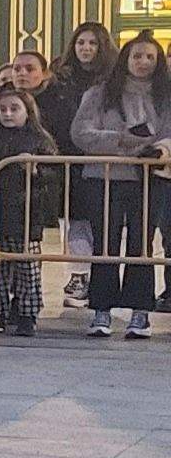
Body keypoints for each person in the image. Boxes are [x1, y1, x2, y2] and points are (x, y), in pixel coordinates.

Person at [71, 32, 169, 337]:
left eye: (150, 57)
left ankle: (140, 312)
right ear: (125, 59)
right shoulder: (100, 93)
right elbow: (81, 132)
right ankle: (102, 310)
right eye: (137, 56)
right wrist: (119, 140)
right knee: (105, 244)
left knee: (142, 246)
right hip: (106, 177)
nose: (143, 63)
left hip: (151, 178)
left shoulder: (166, 95)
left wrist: (159, 148)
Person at [0, 86, 60, 337]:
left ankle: (28, 313)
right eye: (3, 109)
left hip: (28, 214)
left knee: (28, 267)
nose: (7, 114)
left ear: (28, 111)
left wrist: (37, 170)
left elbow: (54, 175)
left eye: (14, 108)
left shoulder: (40, 140)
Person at [51, 21, 113, 306]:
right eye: (80, 43)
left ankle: (100, 278)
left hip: (101, 157)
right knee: (73, 218)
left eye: (92, 43)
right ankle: (78, 274)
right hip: (67, 157)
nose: (85, 48)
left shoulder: (113, 78)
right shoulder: (60, 77)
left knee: (99, 220)